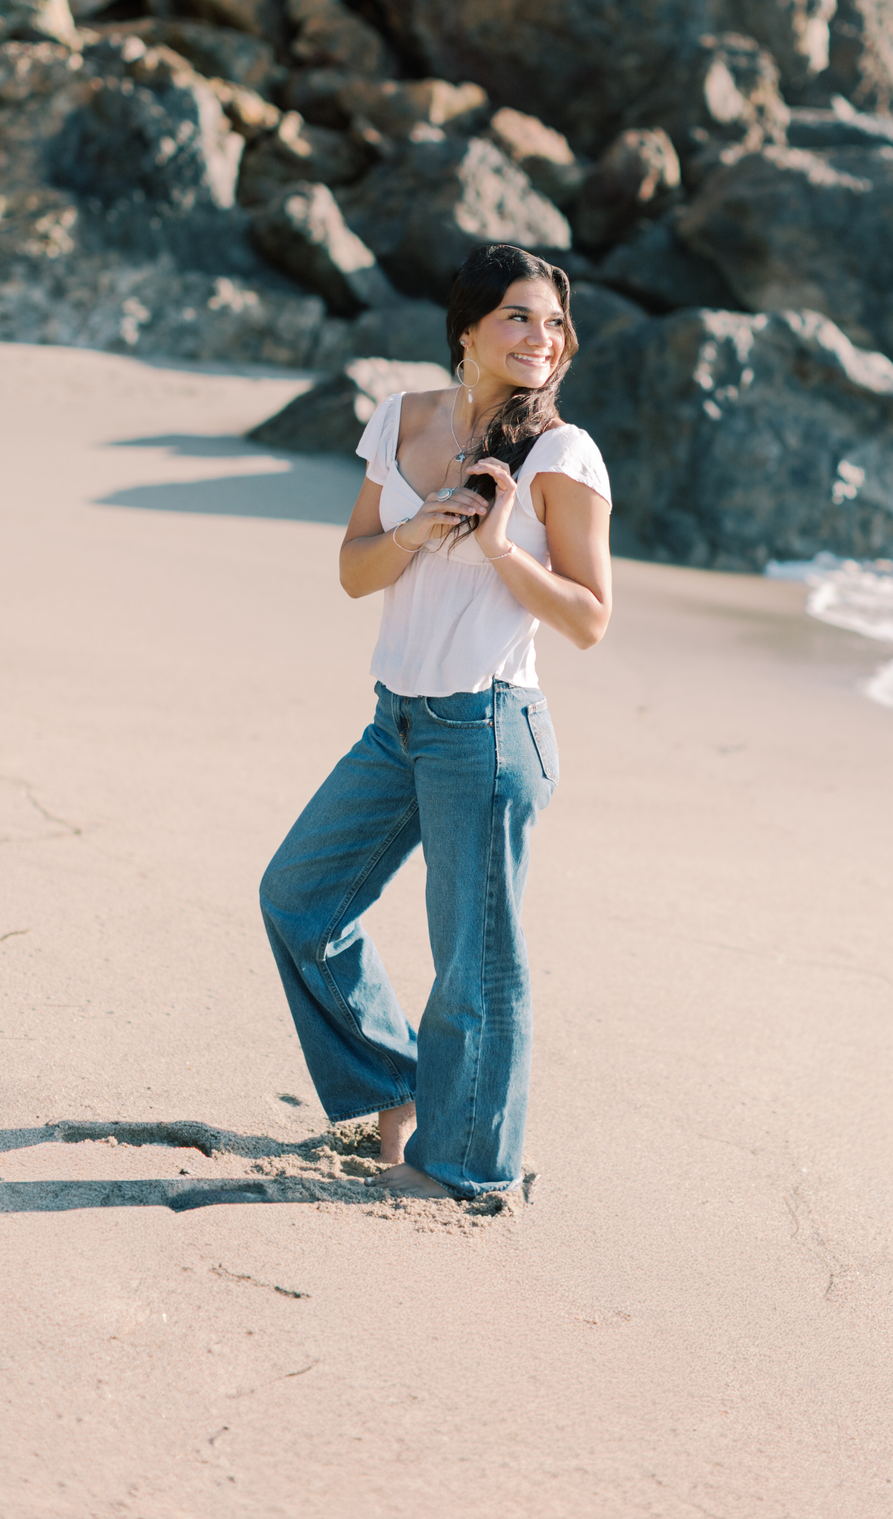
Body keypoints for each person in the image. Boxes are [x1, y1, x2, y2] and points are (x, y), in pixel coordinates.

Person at [259, 243, 613, 1199]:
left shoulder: (560, 454)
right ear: (466, 331)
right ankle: (398, 1089)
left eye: (551, 322)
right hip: (397, 725)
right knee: (299, 899)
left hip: (489, 729)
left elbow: (588, 618)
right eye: (517, 317)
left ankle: (464, 1172)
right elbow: (353, 570)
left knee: (475, 967)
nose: (540, 338)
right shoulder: (402, 419)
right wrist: (416, 531)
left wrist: (499, 546)